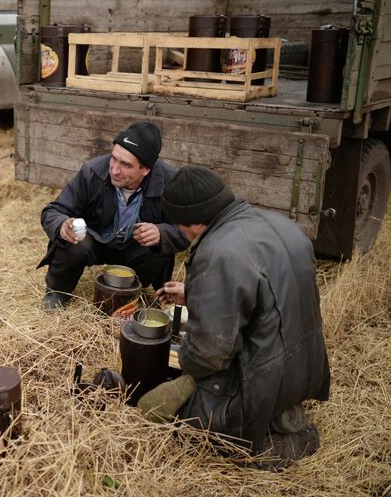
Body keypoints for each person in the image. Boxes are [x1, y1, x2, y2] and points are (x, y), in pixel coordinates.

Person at [138, 164, 330, 468]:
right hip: (305, 368)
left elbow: (207, 356)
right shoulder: (278, 224)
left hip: (264, 379)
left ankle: (274, 443)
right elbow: (267, 296)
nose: (180, 233)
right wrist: (198, 292)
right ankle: (281, 413)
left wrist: (182, 366)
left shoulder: (219, 252)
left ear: (194, 223)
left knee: (156, 411)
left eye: (179, 226)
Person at [38, 121, 189, 309]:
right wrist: (62, 224)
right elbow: (53, 211)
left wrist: (162, 233)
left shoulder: (169, 182)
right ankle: (57, 292)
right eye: (114, 158)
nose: (115, 170)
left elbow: (188, 230)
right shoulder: (93, 171)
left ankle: (132, 293)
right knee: (73, 241)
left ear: (146, 169)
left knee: (156, 247)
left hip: (135, 248)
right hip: (96, 239)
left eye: (126, 165)